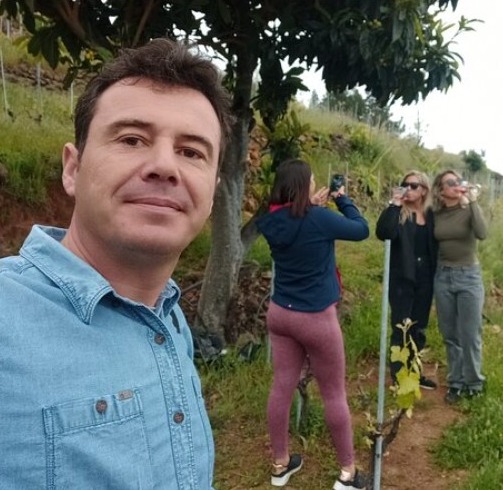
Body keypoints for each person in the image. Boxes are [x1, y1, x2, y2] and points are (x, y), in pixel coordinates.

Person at [0, 39, 233, 489]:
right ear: (73, 169)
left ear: (211, 193)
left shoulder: (169, 320)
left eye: (191, 152)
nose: (164, 166)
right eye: (131, 139)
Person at [256, 159, 369, 490]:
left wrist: (312, 207)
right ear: (303, 186)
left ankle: (280, 464)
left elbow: (295, 223)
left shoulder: (270, 220)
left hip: (280, 313)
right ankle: (347, 474)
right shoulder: (319, 219)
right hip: (316, 318)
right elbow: (360, 229)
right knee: (333, 393)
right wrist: (343, 200)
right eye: (312, 180)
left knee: (281, 386)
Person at [375, 170, 438, 390]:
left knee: (418, 329)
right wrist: (394, 204)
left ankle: (415, 373)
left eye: (413, 186)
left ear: (424, 190)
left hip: (425, 279)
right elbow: (383, 232)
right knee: (401, 327)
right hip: (402, 278)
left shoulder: (431, 216)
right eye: (405, 185)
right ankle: (399, 377)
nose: (408, 189)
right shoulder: (398, 213)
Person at [432, 169, 488, 405]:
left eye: (458, 180)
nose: (457, 184)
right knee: (450, 333)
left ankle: (474, 382)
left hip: (468, 276)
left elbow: (482, 233)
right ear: (441, 190)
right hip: (443, 276)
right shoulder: (436, 214)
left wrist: (472, 201)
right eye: (451, 182)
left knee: (470, 333)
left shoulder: (469, 209)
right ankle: (456, 381)